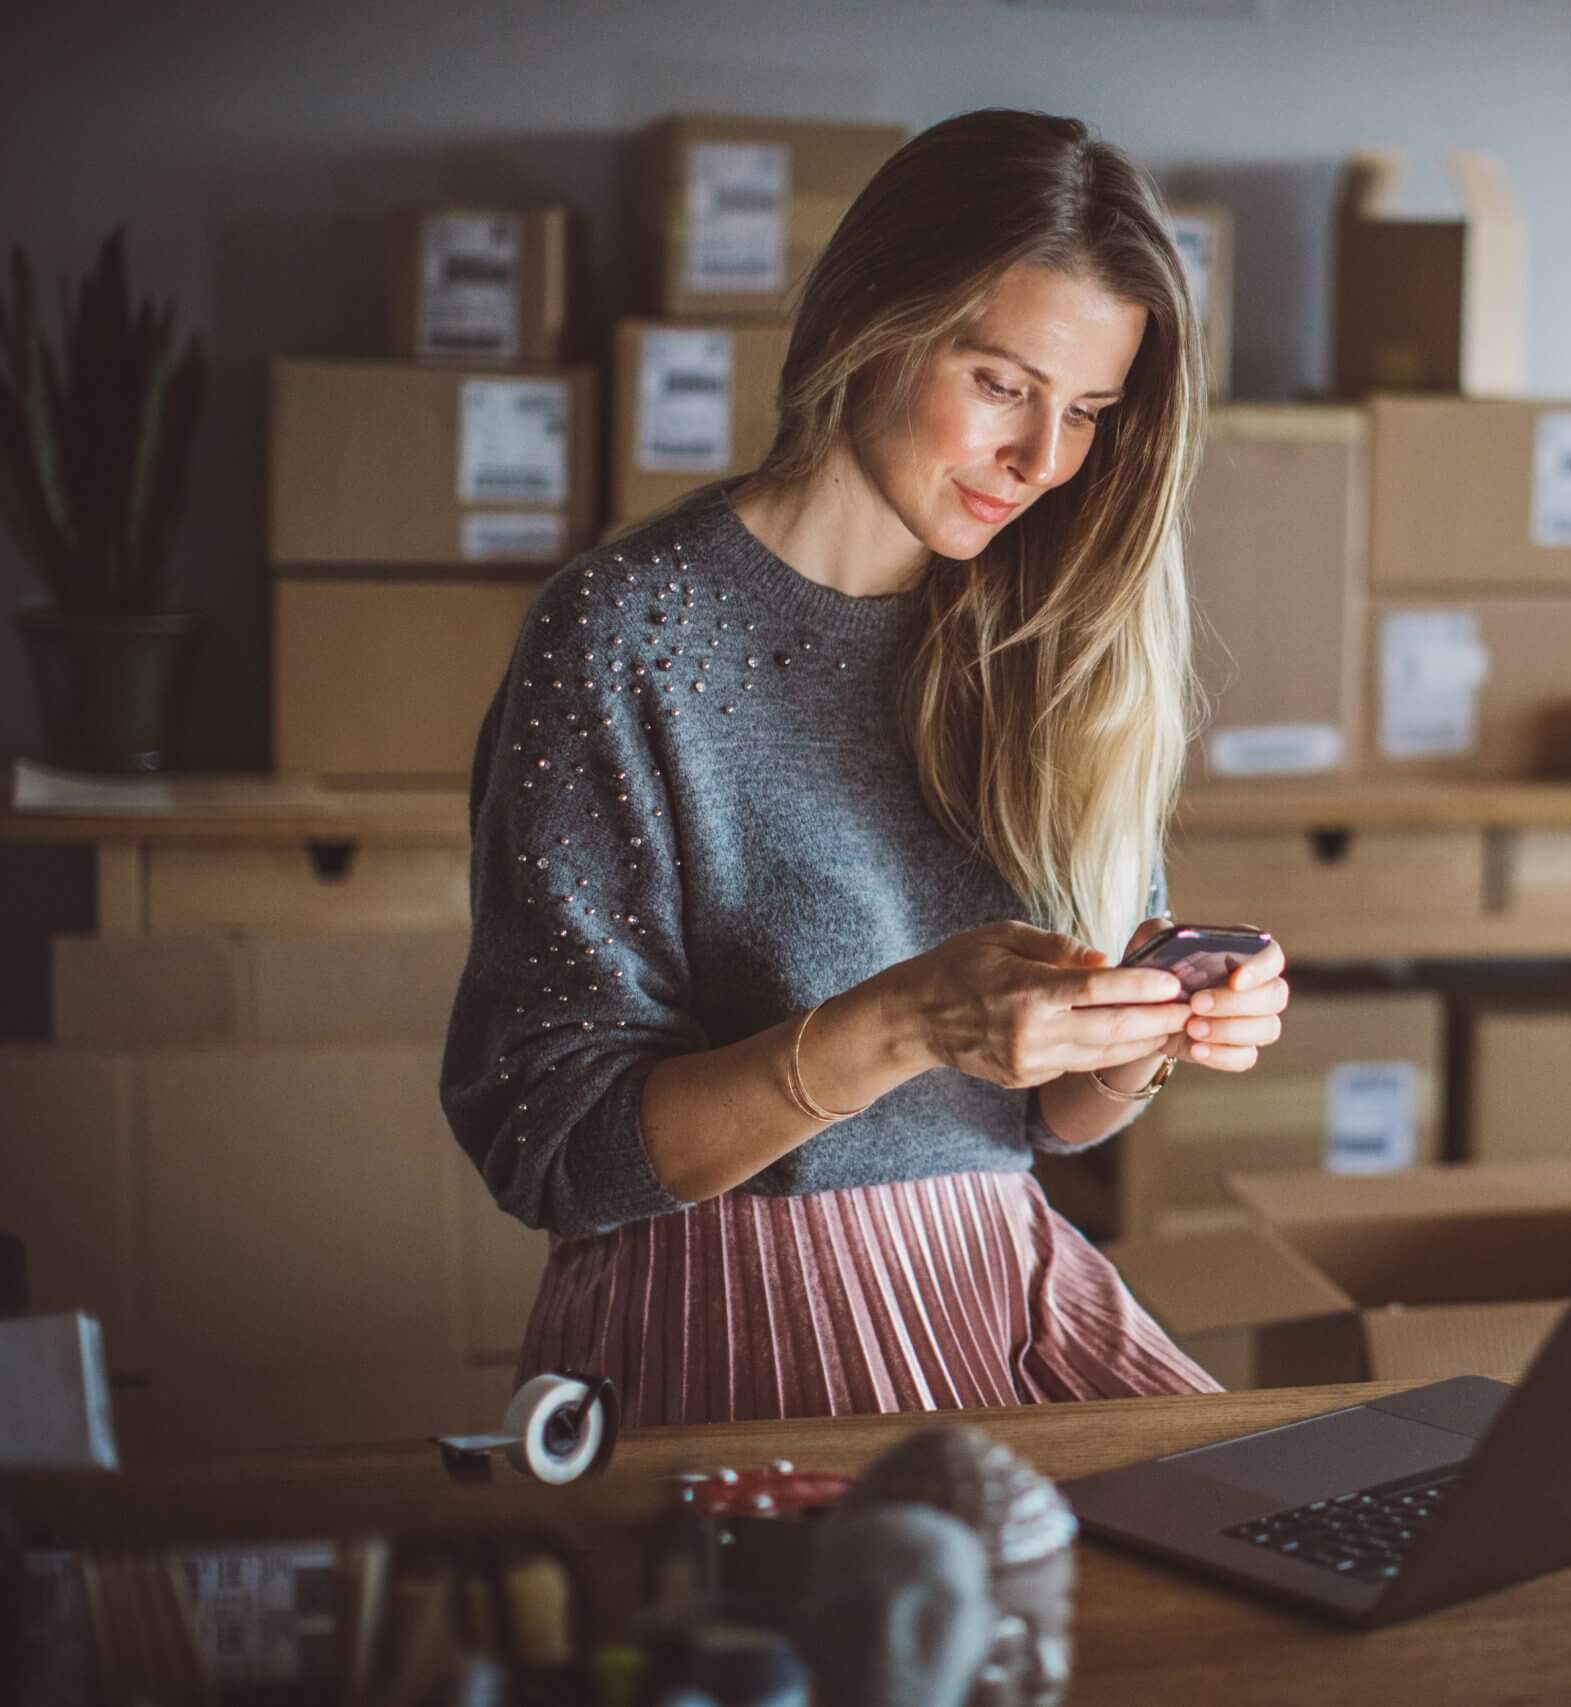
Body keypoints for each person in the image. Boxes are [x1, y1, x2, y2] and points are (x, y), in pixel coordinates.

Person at [440, 109, 1288, 1425]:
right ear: (869, 321)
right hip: (724, 1312)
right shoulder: (626, 638)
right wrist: (896, 1025)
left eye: (1089, 413)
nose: (1043, 462)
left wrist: (1145, 1034)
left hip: (1003, 1276)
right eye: (1004, 385)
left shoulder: (1048, 636)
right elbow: (550, 1145)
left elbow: (1047, 1118)